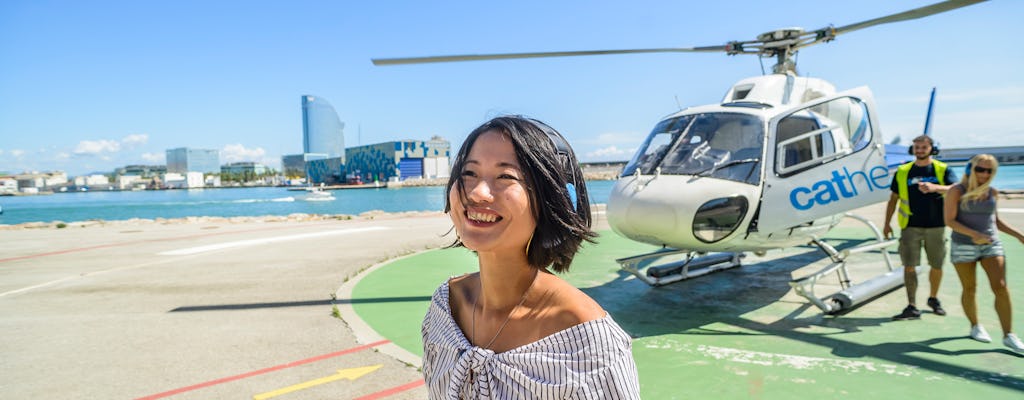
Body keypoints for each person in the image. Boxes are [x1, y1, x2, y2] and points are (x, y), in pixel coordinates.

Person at [421, 116, 640, 399]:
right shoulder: (445, 309)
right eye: (468, 174)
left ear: (554, 200)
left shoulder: (589, 343)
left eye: (505, 177)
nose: (477, 193)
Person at [944, 154, 1024, 352]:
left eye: (990, 170)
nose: (985, 174)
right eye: (980, 169)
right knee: (969, 288)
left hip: (991, 244)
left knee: (1001, 287)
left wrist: (1018, 235)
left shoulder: (992, 192)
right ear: (971, 169)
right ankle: (975, 326)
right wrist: (974, 234)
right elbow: (950, 220)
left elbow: (995, 222)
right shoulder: (956, 190)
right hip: (963, 245)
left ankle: (1009, 335)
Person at [883, 135, 956, 320]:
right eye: (917, 147)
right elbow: (893, 199)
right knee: (909, 266)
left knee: (936, 265)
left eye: (924, 147)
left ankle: (933, 298)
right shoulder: (903, 171)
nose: (920, 150)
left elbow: (957, 188)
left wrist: (935, 187)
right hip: (910, 226)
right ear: (912, 149)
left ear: (932, 148)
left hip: (936, 226)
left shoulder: (942, 169)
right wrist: (886, 223)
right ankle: (912, 305)